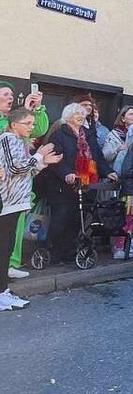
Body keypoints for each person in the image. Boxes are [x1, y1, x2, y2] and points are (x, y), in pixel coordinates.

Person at [0, 108, 61, 310]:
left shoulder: (19, 142)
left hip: (16, 201)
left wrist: (42, 162)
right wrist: (38, 156)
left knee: (6, 247)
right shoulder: (8, 139)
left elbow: (25, 172)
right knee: (3, 248)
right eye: (27, 123)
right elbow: (15, 168)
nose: (31, 127)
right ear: (14, 124)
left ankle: (3, 291)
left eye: (32, 124)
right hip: (7, 201)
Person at [47, 103, 118, 264]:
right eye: (76, 113)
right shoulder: (59, 135)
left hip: (86, 184)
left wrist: (108, 172)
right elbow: (56, 159)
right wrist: (67, 174)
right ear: (68, 116)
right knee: (61, 219)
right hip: (63, 185)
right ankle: (55, 252)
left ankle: (71, 251)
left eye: (82, 113)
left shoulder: (88, 134)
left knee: (77, 220)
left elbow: (97, 157)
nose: (81, 115)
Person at [0, 82, 49, 280]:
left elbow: (39, 130)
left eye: (12, 94)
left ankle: (10, 264)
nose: (10, 97)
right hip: (6, 189)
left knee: (12, 233)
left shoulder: (17, 123)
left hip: (18, 189)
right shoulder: (8, 132)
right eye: (5, 94)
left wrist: (36, 110)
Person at [101, 106, 133, 259]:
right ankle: (117, 246)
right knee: (120, 214)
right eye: (131, 113)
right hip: (118, 179)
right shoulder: (114, 135)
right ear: (122, 118)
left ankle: (131, 243)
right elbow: (105, 155)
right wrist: (118, 149)